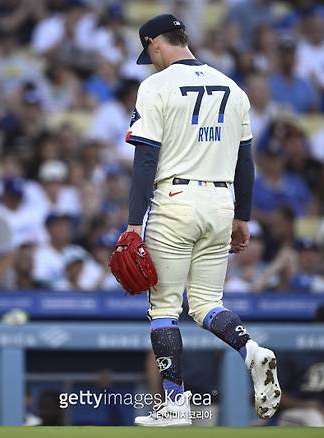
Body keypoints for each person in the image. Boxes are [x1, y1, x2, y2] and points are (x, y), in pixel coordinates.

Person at [119, 14, 280, 426]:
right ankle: (252, 351)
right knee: (207, 304)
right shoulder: (233, 87)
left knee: (165, 308)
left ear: (155, 43)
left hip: (175, 199)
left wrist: (134, 222)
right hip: (221, 202)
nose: (149, 60)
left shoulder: (155, 85)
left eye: (148, 52)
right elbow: (246, 161)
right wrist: (242, 216)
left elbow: (146, 158)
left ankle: (174, 402)